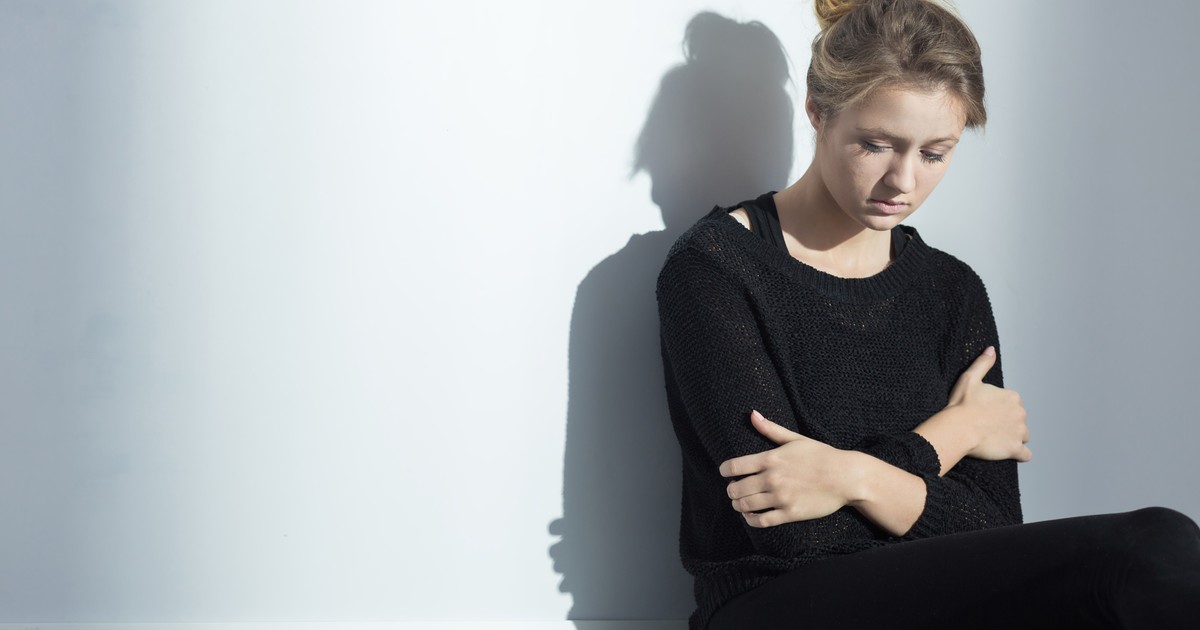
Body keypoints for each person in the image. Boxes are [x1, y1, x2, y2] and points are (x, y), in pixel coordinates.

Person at [654, 1, 1200, 628]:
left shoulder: (952, 291)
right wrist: (955, 433)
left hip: (933, 605)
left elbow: (993, 528)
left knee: (1156, 560)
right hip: (774, 603)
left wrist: (849, 476)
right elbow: (793, 530)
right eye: (876, 145)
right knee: (1146, 548)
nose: (903, 181)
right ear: (817, 110)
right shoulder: (716, 269)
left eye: (935, 153)